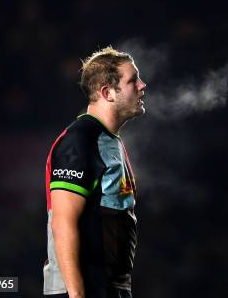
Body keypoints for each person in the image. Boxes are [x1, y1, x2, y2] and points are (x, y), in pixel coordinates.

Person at [43, 47, 147, 298]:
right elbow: (63, 223)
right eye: (133, 80)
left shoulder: (110, 140)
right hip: (85, 290)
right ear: (107, 92)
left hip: (111, 288)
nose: (142, 85)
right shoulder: (80, 140)